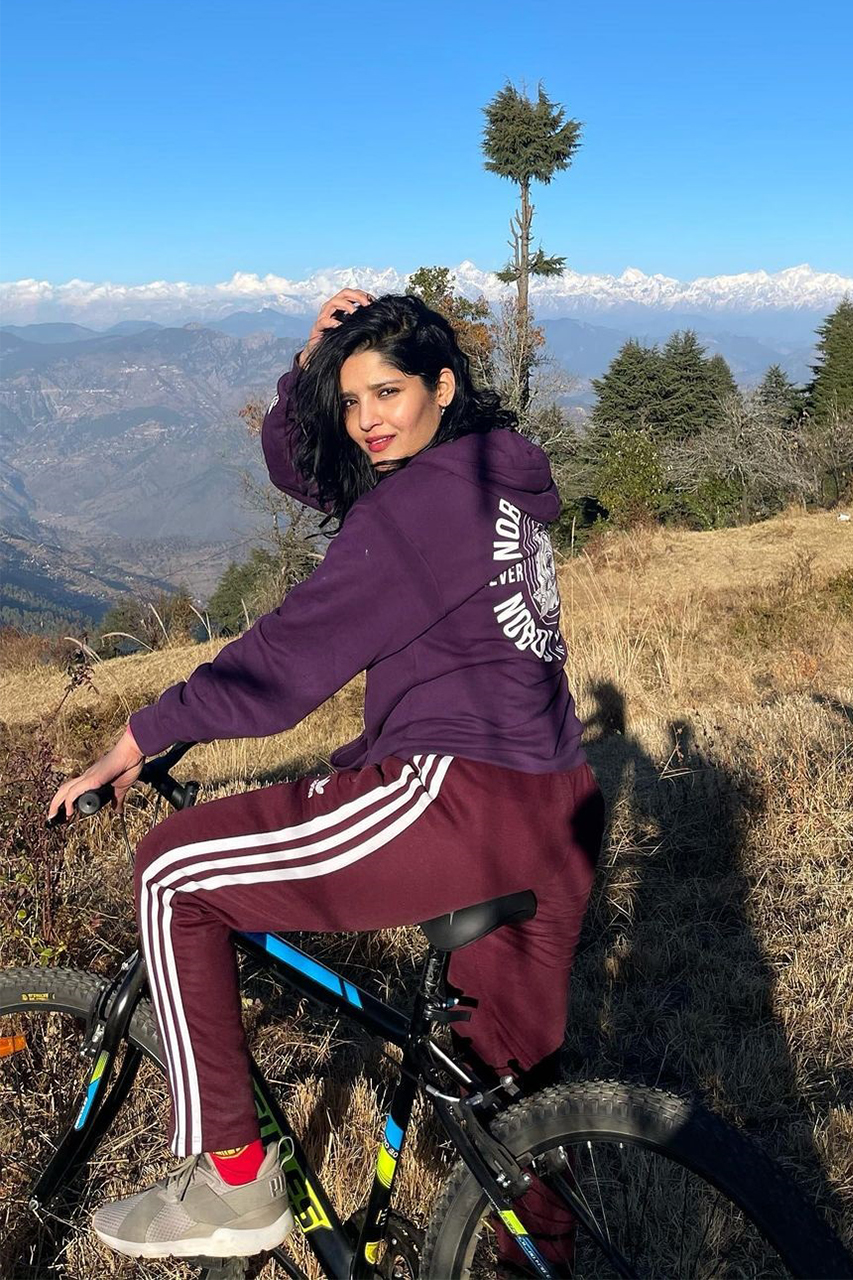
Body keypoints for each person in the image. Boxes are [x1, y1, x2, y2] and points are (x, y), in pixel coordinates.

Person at [48, 289, 606, 1270]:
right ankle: (542, 1255)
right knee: (505, 1083)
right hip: (555, 801)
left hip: (455, 796)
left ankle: (232, 1180)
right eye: (351, 401)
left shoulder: (424, 505)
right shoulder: (483, 474)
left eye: (386, 392)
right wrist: (309, 370)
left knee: (173, 871)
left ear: (443, 385)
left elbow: (284, 664)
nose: (364, 420)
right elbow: (309, 466)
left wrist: (135, 738)